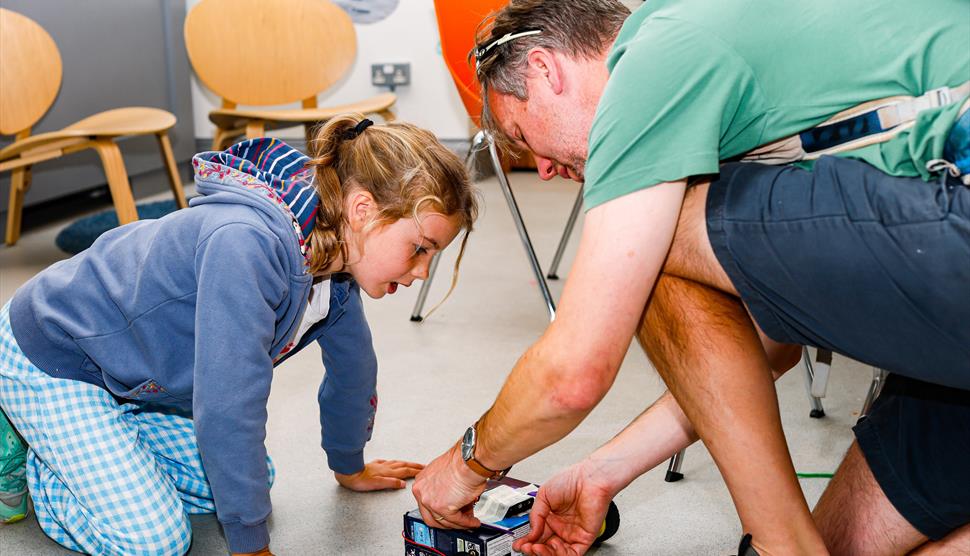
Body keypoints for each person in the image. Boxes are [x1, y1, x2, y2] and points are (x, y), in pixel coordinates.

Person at [411, 1, 970, 554]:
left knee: (649, 240)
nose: (546, 168)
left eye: (522, 136)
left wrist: (468, 462)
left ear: (544, 68)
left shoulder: (655, 58)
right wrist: (603, 471)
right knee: (839, 545)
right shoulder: (718, 62)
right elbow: (766, 346)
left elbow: (572, 373)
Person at [0, 114, 479, 556]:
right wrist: (250, 546)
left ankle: (97, 443)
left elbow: (354, 370)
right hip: (53, 353)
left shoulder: (335, 276)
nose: (420, 272)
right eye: (419, 248)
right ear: (362, 210)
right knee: (153, 540)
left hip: (131, 378)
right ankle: (33, 457)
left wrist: (349, 465)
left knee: (250, 480)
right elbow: (229, 403)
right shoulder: (245, 247)